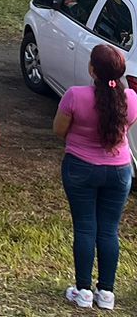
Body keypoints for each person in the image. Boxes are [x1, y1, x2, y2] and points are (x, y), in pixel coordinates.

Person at [54, 43, 136, 310]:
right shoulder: (132, 99)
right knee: (110, 230)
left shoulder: (74, 96)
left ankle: (83, 291)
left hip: (80, 168)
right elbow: (124, 127)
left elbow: (59, 129)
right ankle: (107, 293)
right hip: (120, 171)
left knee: (85, 228)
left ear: (92, 70)